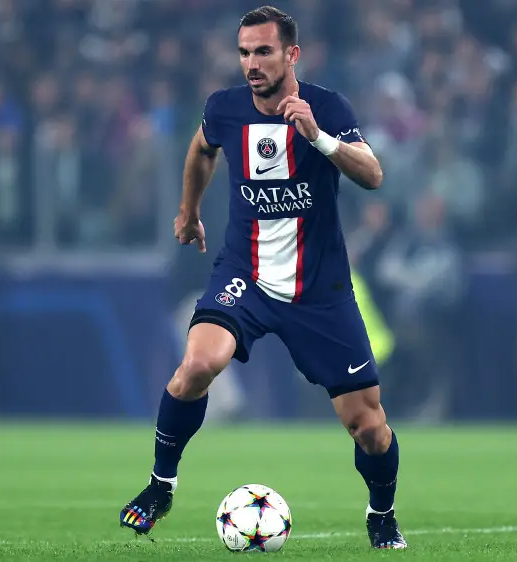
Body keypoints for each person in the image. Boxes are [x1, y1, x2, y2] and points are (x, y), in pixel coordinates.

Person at [118, 6, 406, 549]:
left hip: (318, 289)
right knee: (196, 365)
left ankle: (381, 515)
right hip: (244, 275)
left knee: (368, 426)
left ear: (291, 54)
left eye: (264, 52)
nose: (252, 63)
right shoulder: (224, 108)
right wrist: (188, 211)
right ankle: (160, 486)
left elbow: (373, 175)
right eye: (245, 53)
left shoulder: (327, 107)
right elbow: (202, 148)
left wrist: (318, 137)